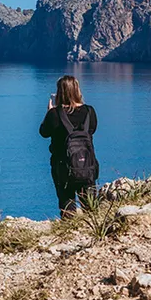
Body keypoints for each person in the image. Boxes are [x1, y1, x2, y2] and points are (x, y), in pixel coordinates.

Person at [39, 75, 98, 215]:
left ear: (60, 92)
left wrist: (49, 112)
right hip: (87, 167)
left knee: (67, 206)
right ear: (77, 90)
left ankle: (70, 233)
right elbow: (92, 130)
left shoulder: (54, 114)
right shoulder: (90, 111)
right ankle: (93, 233)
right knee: (91, 208)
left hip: (62, 167)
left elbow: (43, 132)